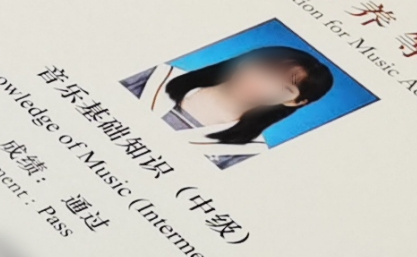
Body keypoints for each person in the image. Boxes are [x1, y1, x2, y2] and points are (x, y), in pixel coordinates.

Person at [121, 42, 334, 166]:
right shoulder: (156, 77)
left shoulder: (246, 152)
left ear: (295, 102)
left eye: (285, 88)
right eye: (266, 72)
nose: (264, 86)